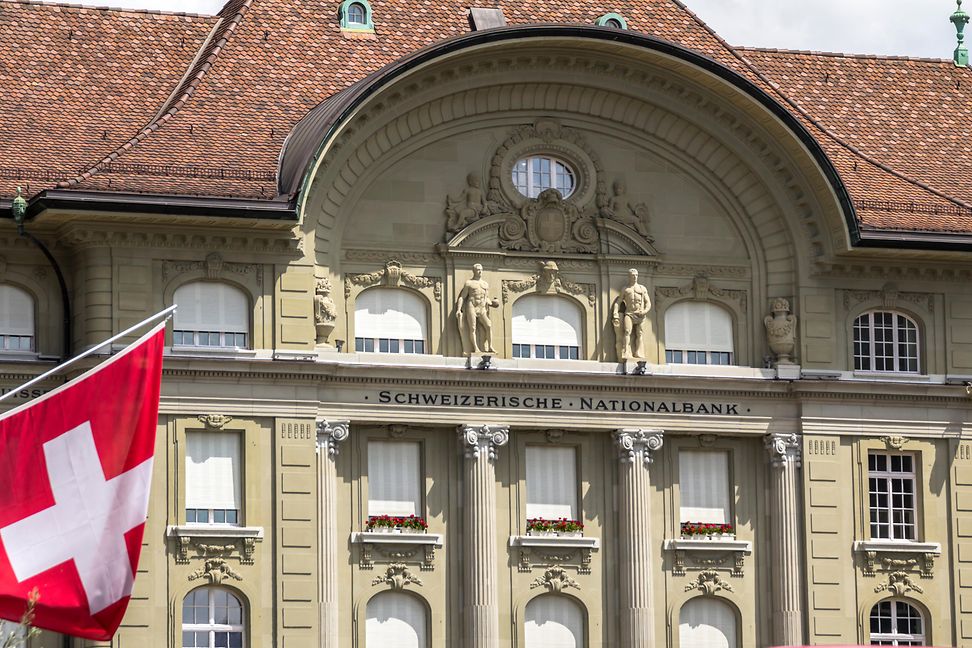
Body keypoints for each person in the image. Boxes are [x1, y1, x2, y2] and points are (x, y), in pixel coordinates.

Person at [456, 263, 499, 355]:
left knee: (489, 325)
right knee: (472, 328)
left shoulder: (485, 284)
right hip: (471, 306)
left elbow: (486, 298)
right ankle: (476, 348)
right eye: (478, 270)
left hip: (482, 308)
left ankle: (490, 346)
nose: (480, 272)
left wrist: (493, 304)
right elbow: (462, 297)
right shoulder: (469, 283)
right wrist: (459, 309)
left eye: (481, 270)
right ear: (474, 271)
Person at [612, 268, 651, 359]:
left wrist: (644, 311)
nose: (635, 277)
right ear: (629, 276)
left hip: (640, 314)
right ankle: (626, 352)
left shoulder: (642, 288)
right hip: (629, 313)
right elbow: (618, 302)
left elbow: (648, 302)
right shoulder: (625, 289)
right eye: (633, 275)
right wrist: (615, 313)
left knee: (639, 333)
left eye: (636, 275)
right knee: (627, 331)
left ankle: (639, 353)